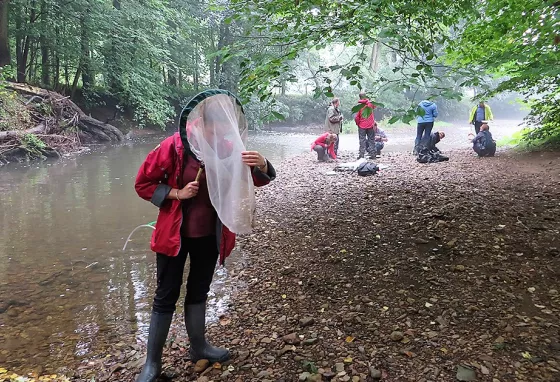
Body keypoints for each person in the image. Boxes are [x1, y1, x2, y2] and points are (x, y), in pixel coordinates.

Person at [134, 90, 276, 382]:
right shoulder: (173, 147)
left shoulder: (227, 147)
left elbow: (258, 179)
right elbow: (143, 183)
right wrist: (176, 193)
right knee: (165, 296)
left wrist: (262, 163)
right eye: (215, 127)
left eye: (227, 127)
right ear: (200, 123)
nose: (222, 133)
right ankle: (152, 364)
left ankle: (199, 347)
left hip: (210, 234)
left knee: (199, 291)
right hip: (174, 235)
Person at [354, 92, 377, 159]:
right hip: (370, 125)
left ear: (360, 97)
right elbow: (375, 106)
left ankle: (361, 155)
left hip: (362, 126)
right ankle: (373, 154)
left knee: (362, 140)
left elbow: (357, 117)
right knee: (371, 140)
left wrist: (358, 124)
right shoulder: (370, 104)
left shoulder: (359, 106)